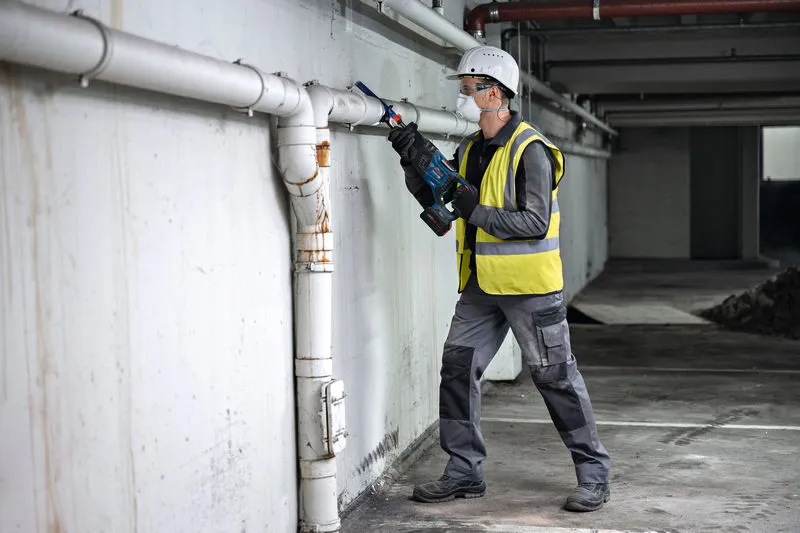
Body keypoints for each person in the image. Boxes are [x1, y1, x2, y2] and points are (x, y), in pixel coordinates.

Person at [387, 45, 612, 512]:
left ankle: (594, 475)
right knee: (456, 369)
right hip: (481, 287)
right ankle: (463, 471)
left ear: (495, 93)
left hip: (531, 289)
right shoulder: (471, 148)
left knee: (555, 378)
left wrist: (476, 211)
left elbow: (534, 222)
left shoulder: (531, 150)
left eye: (469, 88)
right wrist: (412, 158)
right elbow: (443, 199)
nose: (463, 96)